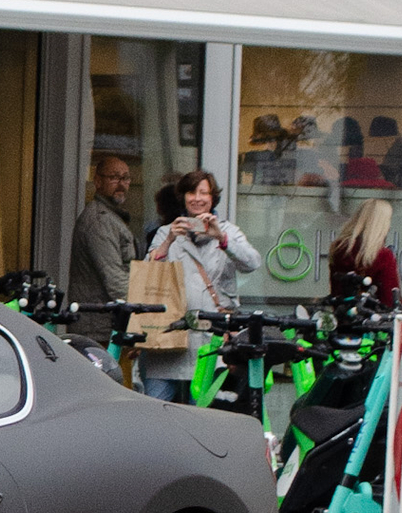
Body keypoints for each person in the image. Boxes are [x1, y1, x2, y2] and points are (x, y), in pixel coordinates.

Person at [136, 167, 259, 397]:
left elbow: (252, 262)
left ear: (213, 198)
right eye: (192, 193)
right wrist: (170, 240)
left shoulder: (228, 231)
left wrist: (221, 238)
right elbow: (147, 274)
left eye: (204, 193)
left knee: (202, 415)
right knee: (155, 412)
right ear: (183, 197)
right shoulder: (165, 232)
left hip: (211, 340)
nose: (198, 199)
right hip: (168, 340)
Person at [68, 148, 135, 316]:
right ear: (97, 181)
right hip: (100, 326)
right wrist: (142, 310)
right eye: (114, 177)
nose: (121, 184)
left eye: (125, 178)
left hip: (105, 321)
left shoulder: (112, 217)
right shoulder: (100, 221)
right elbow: (115, 281)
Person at [328, 194, 399, 313]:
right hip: (373, 322)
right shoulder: (383, 256)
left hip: (343, 317)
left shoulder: (339, 249)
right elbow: (389, 299)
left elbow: (336, 291)